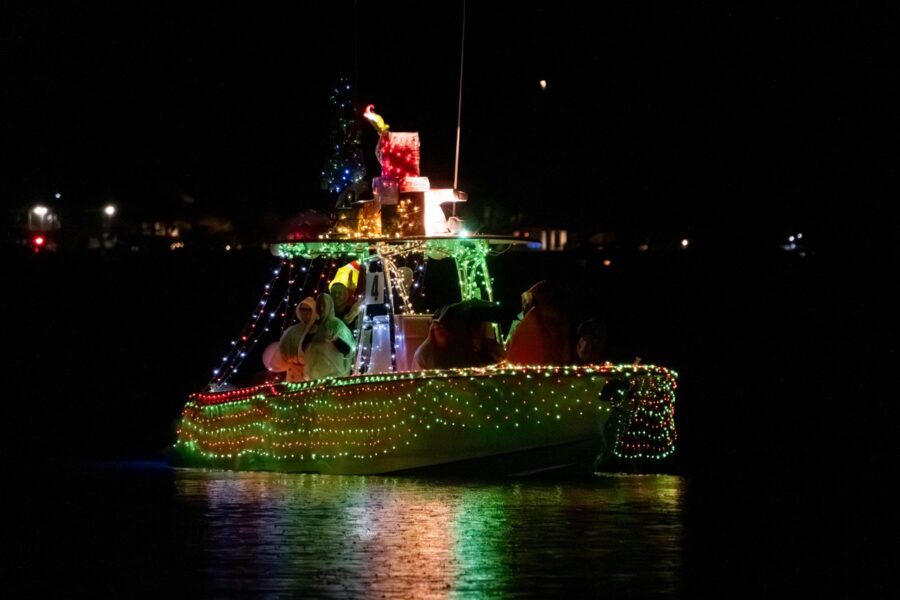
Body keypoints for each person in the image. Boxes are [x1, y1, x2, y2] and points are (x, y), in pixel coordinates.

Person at [505, 280, 570, 365]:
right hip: (539, 358)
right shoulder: (531, 315)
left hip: (540, 358)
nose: (523, 305)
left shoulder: (536, 314)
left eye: (525, 302)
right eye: (523, 302)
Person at [262, 297, 317, 382]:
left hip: (313, 372)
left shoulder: (318, 330)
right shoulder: (292, 330)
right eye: (302, 309)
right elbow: (283, 350)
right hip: (294, 373)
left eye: (308, 310)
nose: (305, 313)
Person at [303, 293, 357, 380]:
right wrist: (310, 335)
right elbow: (304, 348)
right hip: (315, 374)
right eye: (319, 305)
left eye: (324, 305)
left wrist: (335, 339)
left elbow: (347, 350)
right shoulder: (315, 325)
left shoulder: (337, 325)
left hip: (334, 373)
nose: (321, 308)